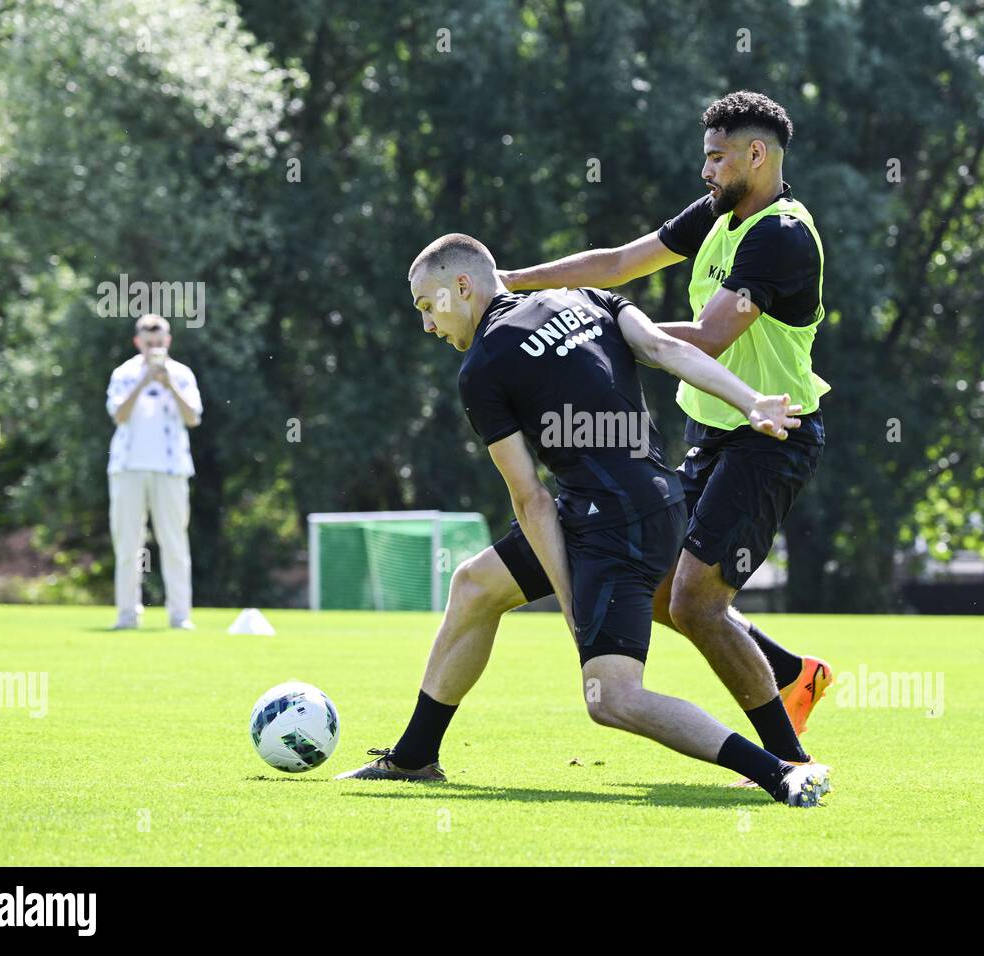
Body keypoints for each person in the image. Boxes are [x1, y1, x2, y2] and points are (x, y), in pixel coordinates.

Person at [334, 234, 831, 807]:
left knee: (610, 697)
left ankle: (780, 771)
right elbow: (668, 351)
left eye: (428, 305)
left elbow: (531, 500)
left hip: (614, 527)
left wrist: (569, 600)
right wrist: (750, 402)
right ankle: (414, 757)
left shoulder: (484, 367)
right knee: (474, 586)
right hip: (647, 501)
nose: (427, 324)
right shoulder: (586, 299)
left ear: (462, 287)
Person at [497, 91, 833, 773]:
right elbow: (619, 262)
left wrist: (599, 334)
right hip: (712, 434)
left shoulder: (782, 235)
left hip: (770, 437)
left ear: (756, 155)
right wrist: (520, 285)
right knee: (659, 590)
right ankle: (793, 673)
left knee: (697, 603)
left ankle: (789, 761)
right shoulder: (718, 212)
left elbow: (708, 338)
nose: (705, 170)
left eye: (716, 157)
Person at [104, 314, 203, 630]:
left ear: (168, 341)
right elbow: (119, 415)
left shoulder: (182, 374)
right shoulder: (124, 373)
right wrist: (144, 381)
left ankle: (180, 615)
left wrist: (168, 384)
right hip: (128, 469)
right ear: (138, 343)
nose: (155, 348)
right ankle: (127, 615)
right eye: (149, 343)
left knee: (175, 544)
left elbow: (193, 418)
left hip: (171, 470)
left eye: (160, 342)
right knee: (127, 546)